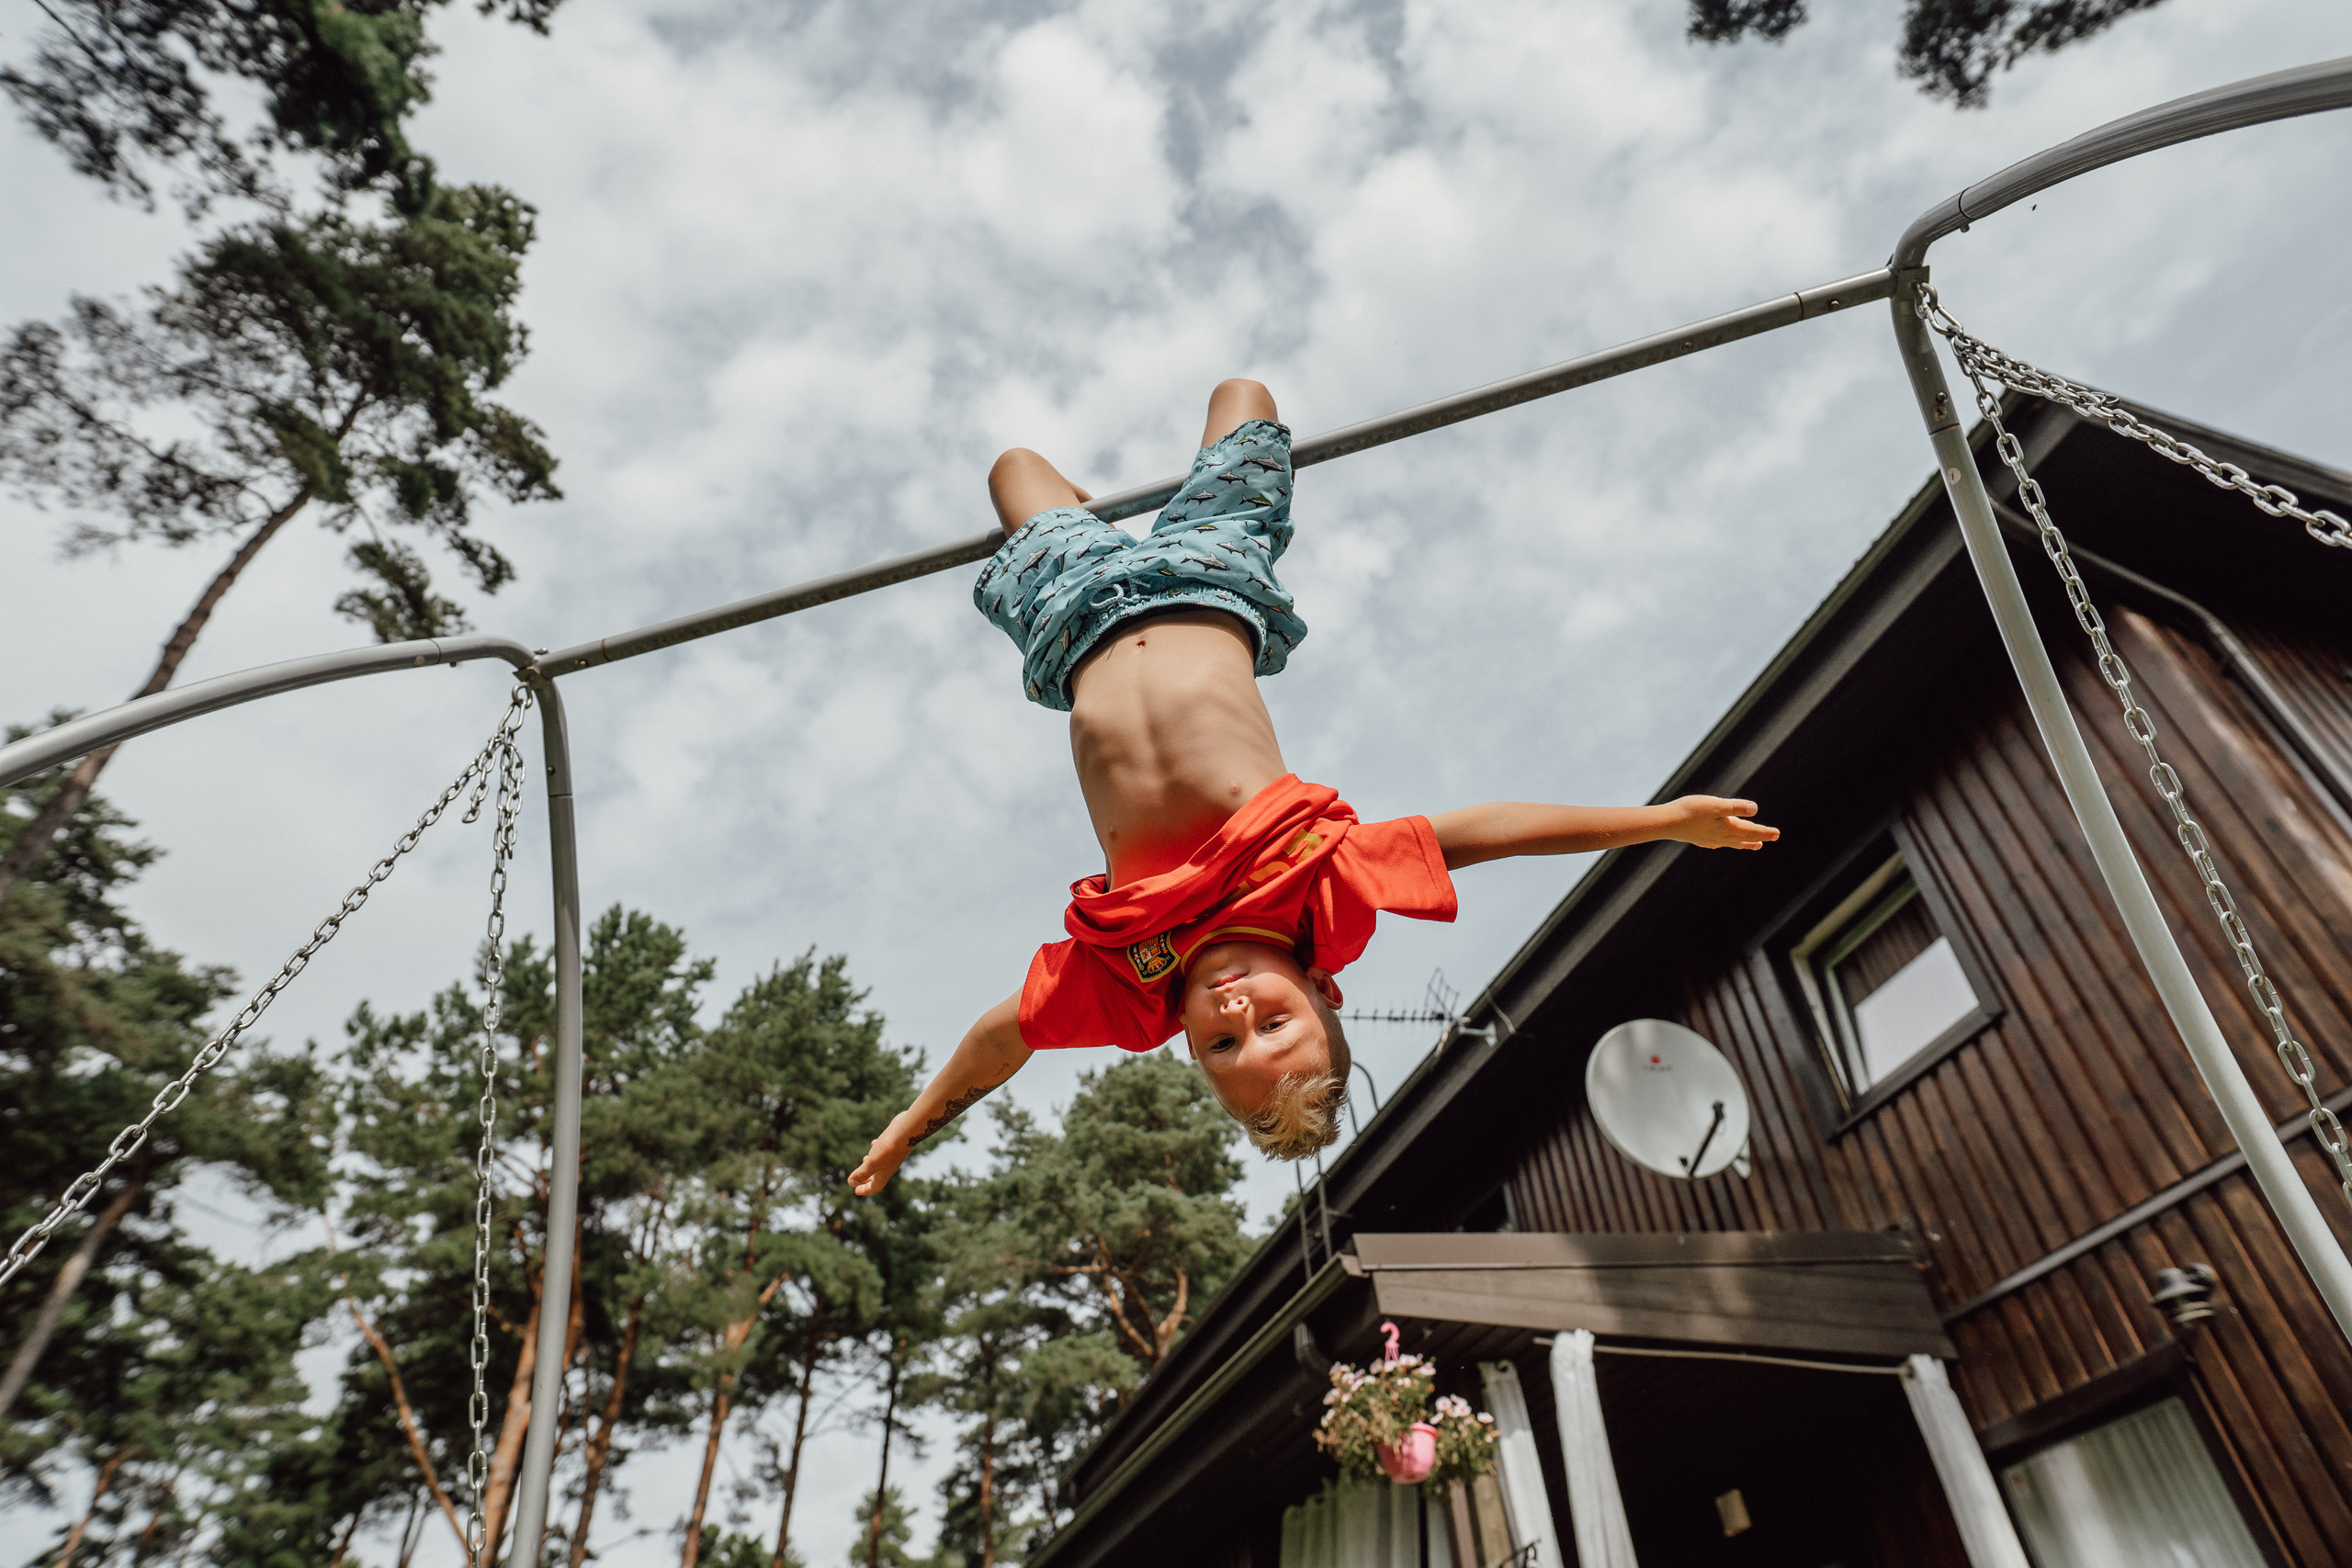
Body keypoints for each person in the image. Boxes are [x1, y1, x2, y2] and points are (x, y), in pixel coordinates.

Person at [849, 379, 1776, 1195]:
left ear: (1187, 1048)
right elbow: (1490, 829)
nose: (1238, 1017)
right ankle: (1116, 499)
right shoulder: (1324, 889)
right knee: (1244, 396)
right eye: (1276, 1025)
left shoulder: (1132, 986)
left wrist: (910, 1125)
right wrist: (1663, 820)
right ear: (1321, 991)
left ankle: (1073, 514)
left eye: (1223, 1047)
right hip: (1204, 580)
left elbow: (1002, 1039)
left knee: (1012, 469)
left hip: (1074, 615)